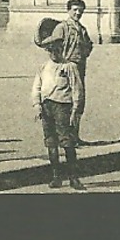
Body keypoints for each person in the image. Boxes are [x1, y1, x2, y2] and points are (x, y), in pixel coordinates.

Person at [32, 18, 87, 190]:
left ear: (61, 49)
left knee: (67, 142)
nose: (54, 53)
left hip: (63, 106)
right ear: (47, 51)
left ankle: (74, 178)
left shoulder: (69, 67)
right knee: (50, 142)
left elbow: (77, 89)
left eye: (56, 50)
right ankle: (56, 177)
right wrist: (37, 105)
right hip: (47, 106)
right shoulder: (43, 67)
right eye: (50, 50)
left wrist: (76, 110)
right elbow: (37, 87)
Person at [46, 0, 95, 144]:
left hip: (79, 68)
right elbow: (51, 47)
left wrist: (83, 55)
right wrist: (61, 64)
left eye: (80, 10)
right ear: (68, 10)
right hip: (65, 69)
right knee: (62, 102)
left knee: (78, 101)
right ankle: (62, 137)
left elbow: (89, 46)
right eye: (75, 10)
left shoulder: (82, 29)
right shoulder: (62, 27)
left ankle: (74, 136)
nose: (78, 13)